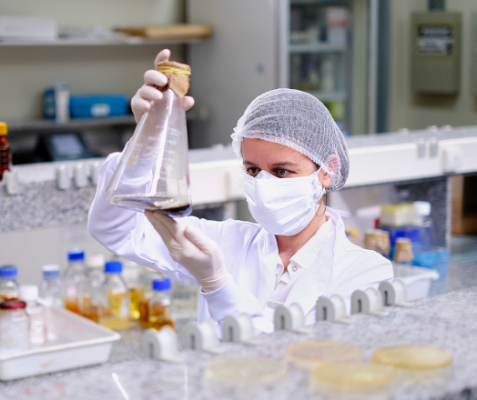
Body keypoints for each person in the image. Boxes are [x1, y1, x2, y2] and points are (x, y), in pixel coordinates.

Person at [88, 49, 393, 333]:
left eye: (282, 171)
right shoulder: (226, 242)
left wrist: (217, 284)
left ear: (326, 171)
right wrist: (147, 142)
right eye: (252, 170)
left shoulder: (366, 273)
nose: (263, 183)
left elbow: (294, 360)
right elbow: (117, 231)